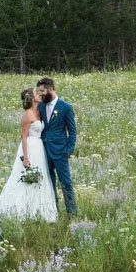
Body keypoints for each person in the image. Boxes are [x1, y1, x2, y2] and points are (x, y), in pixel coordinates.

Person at [0, 87, 58, 221]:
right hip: (29, 147)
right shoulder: (27, 115)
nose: (38, 95)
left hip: (39, 148)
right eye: (36, 93)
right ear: (31, 98)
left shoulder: (39, 111)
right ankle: (19, 208)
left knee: (40, 177)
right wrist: (26, 157)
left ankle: (39, 209)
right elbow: (23, 137)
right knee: (25, 177)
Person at [36, 77, 77, 216]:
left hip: (61, 151)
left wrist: (69, 150)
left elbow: (72, 131)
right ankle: (54, 211)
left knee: (65, 182)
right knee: (49, 182)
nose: (40, 94)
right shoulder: (40, 106)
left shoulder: (66, 107)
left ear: (50, 89)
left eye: (42, 91)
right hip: (44, 150)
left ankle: (72, 213)